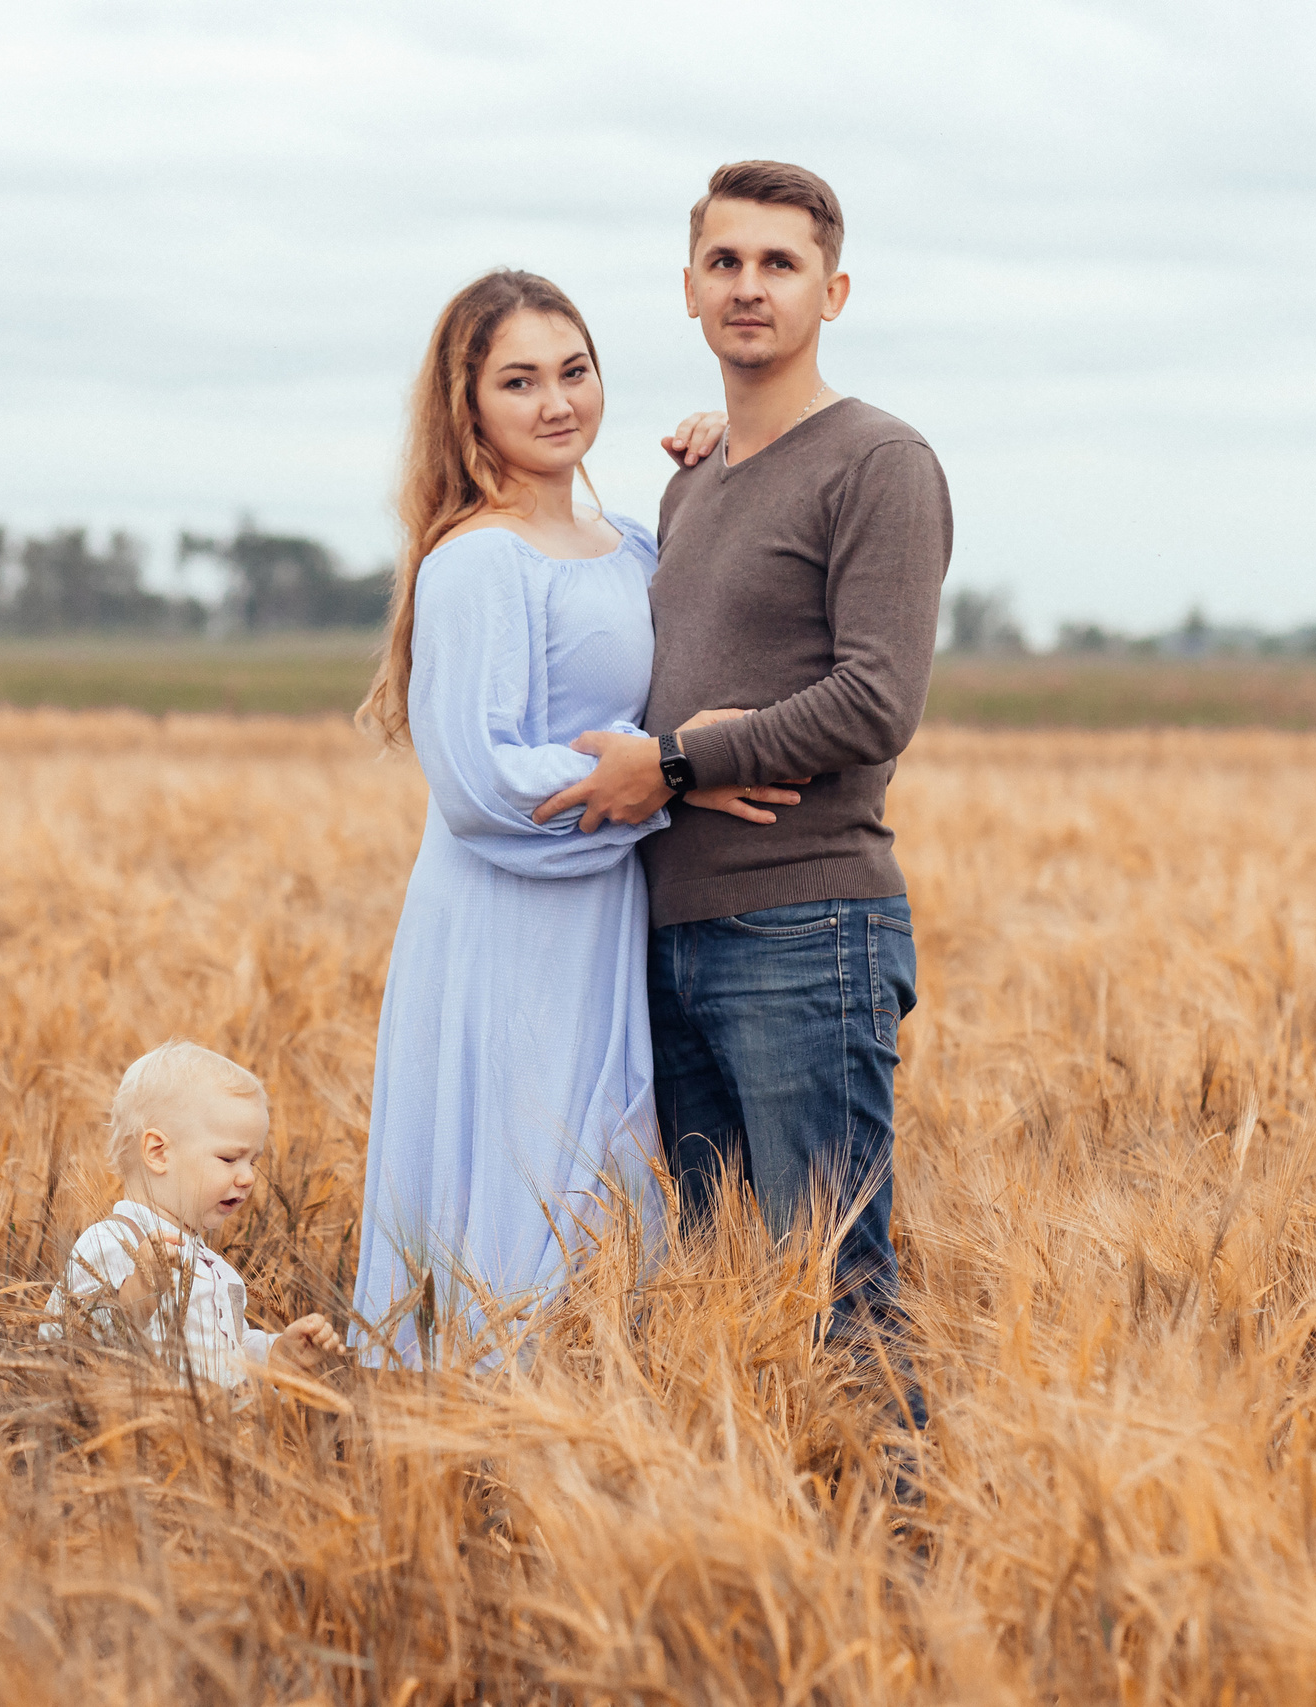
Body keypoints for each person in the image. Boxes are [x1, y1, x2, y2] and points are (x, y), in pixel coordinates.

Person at [536, 161, 953, 1376]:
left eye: (780, 263)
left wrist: (674, 762)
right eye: (724, 262)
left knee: (835, 1295)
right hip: (667, 934)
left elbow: (877, 701)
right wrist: (675, 768)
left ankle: (883, 1503)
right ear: (687, 289)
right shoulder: (692, 480)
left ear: (834, 291)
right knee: (721, 1306)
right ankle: (752, 1504)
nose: (749, 287)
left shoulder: (881, 462)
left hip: (804, 932)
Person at [348, 269, 785, 1367]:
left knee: (601, 1170)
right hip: (508, 920)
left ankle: (578, 1403)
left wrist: (723, 460)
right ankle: (479, 1416)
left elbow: (694, 656)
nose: (556, 402)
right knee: (518, 1162)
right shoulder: (476, 560)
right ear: (466, 406)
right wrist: (670, 779)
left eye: (574, 371)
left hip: (607, 911)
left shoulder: (628, 541)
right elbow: (482, 778)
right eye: (518, 381)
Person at [44, 1040, 341, 1399]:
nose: (248, 1177)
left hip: (216, 1430)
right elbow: (66, 1344)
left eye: (253, 1162)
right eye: (229, 1159)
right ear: (159, 1152)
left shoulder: (214, 1265)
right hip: (148, 1430)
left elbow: (225, 1351)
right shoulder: (111, 1243)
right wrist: (139, 1293)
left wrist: (277, 1352)